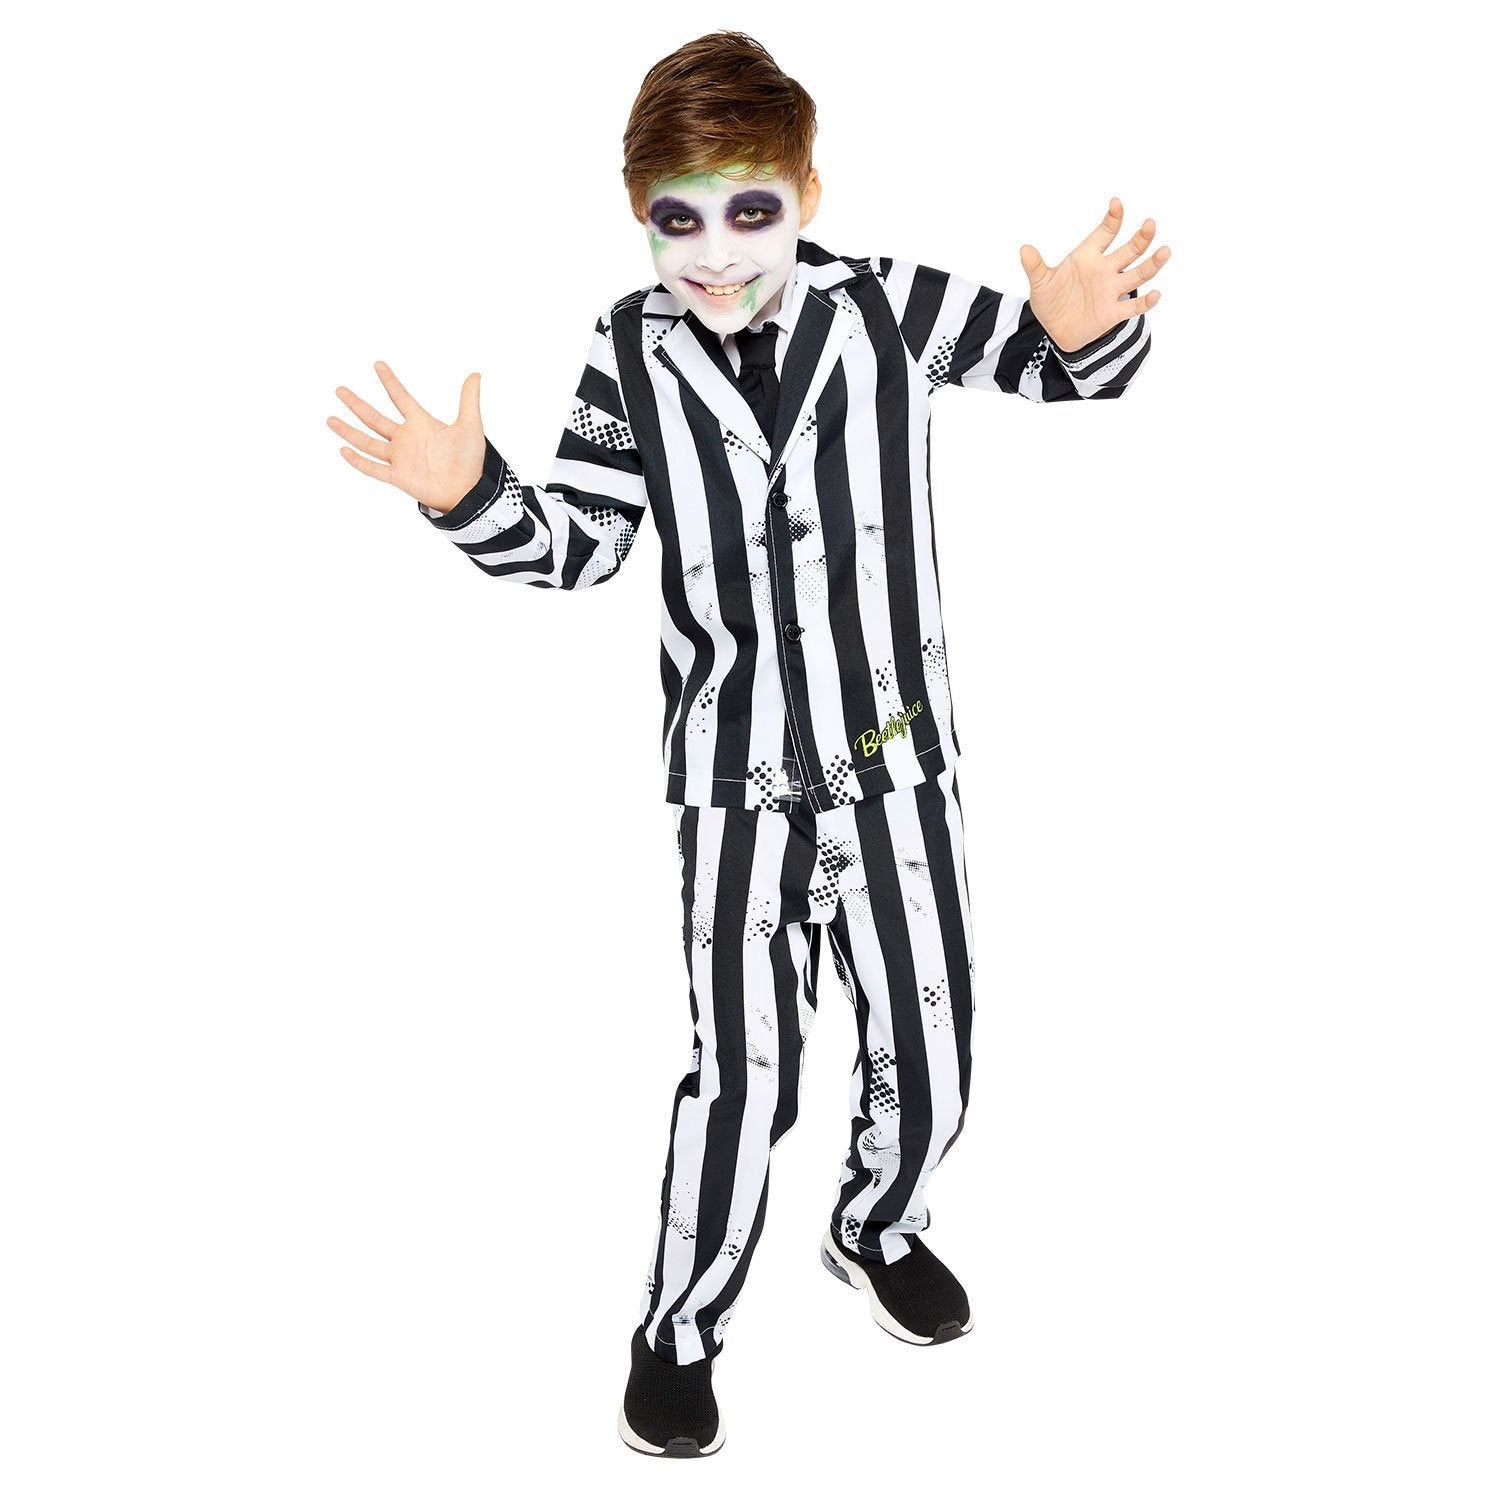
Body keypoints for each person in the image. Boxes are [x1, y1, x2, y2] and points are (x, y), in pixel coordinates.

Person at [326, 29, 1167, 1459]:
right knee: (743, 1075)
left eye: (751, 212)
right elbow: (583, 545)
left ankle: (877, 1222)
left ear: (808, 194)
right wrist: (470, 496)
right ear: (639, 218)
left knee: (933, 1040)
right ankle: (680, 1326)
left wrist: (1089, 334)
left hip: (895, 756)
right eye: (679, 221)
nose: (716, 255)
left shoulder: (886, 306)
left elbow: (1060, 370)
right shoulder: (627, 352)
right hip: (735, 782)